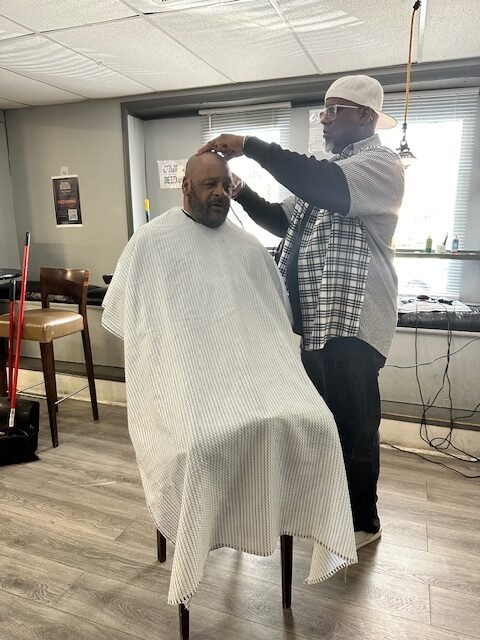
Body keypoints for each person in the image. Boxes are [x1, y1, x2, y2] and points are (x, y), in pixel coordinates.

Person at [102, 152, 356, 607]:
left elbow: (274, 324)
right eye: (209, 185)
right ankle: (195, 540)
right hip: (186, 383)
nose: (220, 193)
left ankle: (280, 519)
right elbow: (135, 327)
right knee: (199, 444)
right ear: (185, 187)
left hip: (261, 379)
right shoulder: (150, 244)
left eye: (225, 184)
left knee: (318, 424)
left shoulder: (248, 248)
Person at [198, 75, 405, 550]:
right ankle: (329, 507)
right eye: (323, 110)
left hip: (352, 322)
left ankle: (363, 522)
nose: (324, 119)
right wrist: (240, 191)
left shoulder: (380, 166)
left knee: (354, 425)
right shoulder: (333, 171)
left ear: (365, 116)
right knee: (323, 422)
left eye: (334, 110)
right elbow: (281, 220)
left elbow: (324, 186)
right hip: (316, 323)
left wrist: (250, 145)